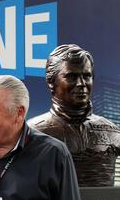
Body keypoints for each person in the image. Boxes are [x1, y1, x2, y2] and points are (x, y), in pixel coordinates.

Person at [28, 44, 120, 187]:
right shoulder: (31, 132)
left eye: (87, 76)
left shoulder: (112, 131)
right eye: (71, 77)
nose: (81, 83)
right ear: (51, 82)